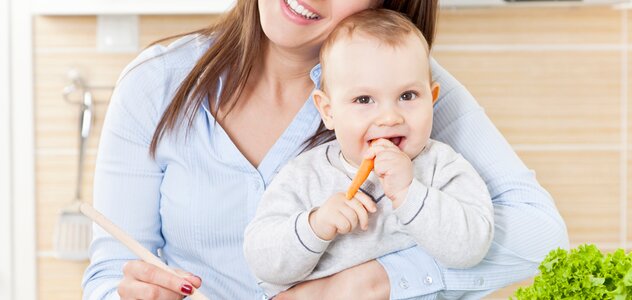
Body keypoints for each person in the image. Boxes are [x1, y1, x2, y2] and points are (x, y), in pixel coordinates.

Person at [82, 0, 569, 299]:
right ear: (325, 108)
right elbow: (108, 274)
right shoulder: (156, 83)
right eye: (359, 100)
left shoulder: (405, 101)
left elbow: (543, 239)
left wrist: (366, 285)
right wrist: (133, 295)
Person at [243, 9, 495, 298]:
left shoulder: (442, 167)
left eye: (408, 96)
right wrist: (315, 225)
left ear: (432, 98)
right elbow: (261, 260)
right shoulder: (305, 175)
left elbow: (473, 246)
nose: (389, 117)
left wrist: (410, 194)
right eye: (364, 99)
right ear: (328, 111)